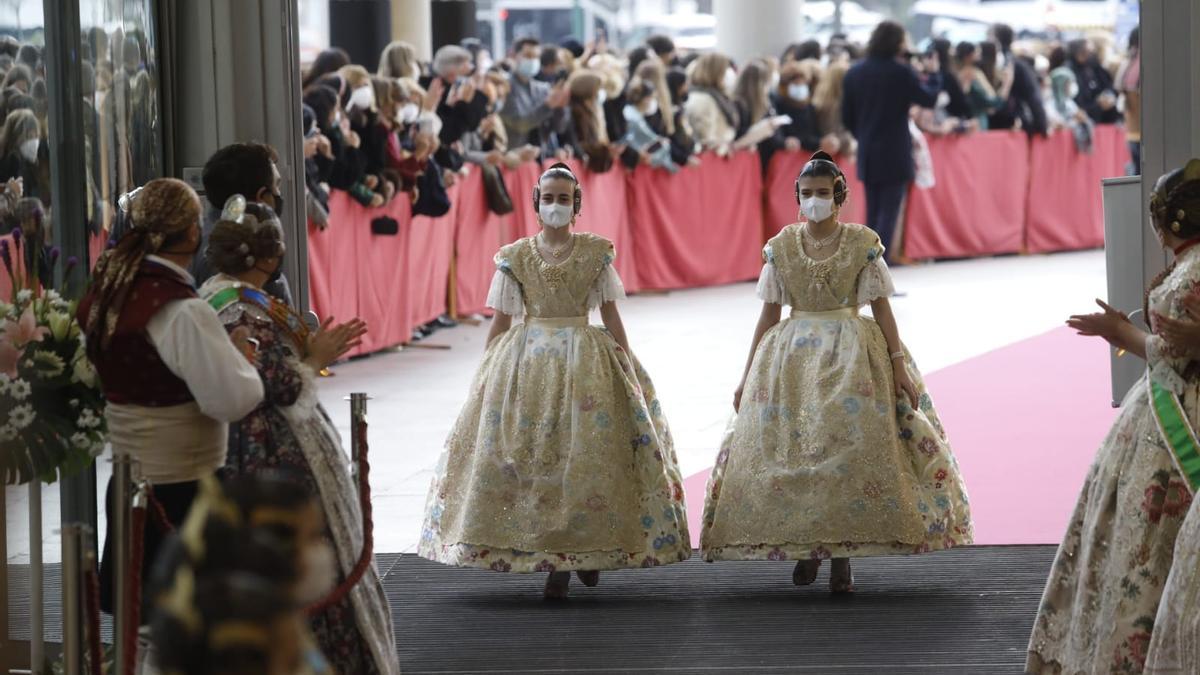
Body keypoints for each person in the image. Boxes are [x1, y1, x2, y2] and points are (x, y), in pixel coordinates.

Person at [698, 151, 972, 591]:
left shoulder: (862, 243)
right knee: (801, 457)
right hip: (792, 362)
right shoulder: (782, 247)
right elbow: (768, 316)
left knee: (847, 457)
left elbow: (882, 311)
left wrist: (899, 365)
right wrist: (747, 375)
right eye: (807, 194)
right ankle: (808, 547)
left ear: (839, 197)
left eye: (823, 193)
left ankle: (843, 556)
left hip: (853, 358)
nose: (814, 201)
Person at [419, 163, 690, 599]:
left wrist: (629, 363)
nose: (556, 206)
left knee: (586, 458)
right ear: (536, 203)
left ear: (576, 204)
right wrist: (486, 369)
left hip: (586, 360)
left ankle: (584, 550)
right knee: (537, 459)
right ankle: (558, 555)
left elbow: (611, 315)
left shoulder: (595, 253)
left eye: (564, 199)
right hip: (526, 362)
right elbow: (501, 320)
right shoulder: (516, 257)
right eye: (549, 198)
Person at [196, 202, 398, 675]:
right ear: (268, 257)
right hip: (272, 445)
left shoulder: (218, 294)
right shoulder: (243, 309)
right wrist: (316, 355)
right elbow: (277, 384)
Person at [76, 178, 264, 659]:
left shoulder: (109, 291)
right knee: (189, 633)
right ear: (190, 232)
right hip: (184, 489)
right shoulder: (181, 309)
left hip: (127, 483)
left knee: (142, 629)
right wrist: (243, 358)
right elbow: (232, 399)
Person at [1026, 159, 1200, 674]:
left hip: (1175, 420)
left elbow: (1170, 354)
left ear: (1171, 221)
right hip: (1167, 408)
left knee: (1146, 544)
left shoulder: (1193, 270)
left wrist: (1119, 334)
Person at [842, 21, 942, 256]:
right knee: (889, 213)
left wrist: (864, 134)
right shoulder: (901, 72)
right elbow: (928, 98)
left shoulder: (854, 72)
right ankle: (879, 272)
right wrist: (934, 73)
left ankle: (865, 273)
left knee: (872, 213)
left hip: (868, 150)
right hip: (895, 150)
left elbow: (846, 116)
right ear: (897, 43)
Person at [192, 142, 294, 306]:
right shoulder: (240, 255)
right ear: (261, 197)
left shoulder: (201, 237)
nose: (279, 194)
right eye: (277, 185)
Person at [498, 38, 569, 154]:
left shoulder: (543, 88)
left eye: (536, 57)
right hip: (514, 156)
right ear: (514, 56)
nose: (532, 61)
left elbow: (558, 128)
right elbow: (519, 123)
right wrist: (547, 105)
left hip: (540, 158)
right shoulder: (505, 86)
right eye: (528, 55)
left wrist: (560, 107)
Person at [986, 23, 1048, 137]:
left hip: (1013, 124)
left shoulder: (1011, 64)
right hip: (1004, 125)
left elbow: (1032, 95)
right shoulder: (1013, 63)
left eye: (989, 36)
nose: (986, 40)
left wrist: (1041, 124)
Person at [1116, 27, 1141, 175]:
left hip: (1132, 128)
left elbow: (1119, 87)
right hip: (1144, 129)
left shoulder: (1128, 63)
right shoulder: (1143, 62)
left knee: (1136, 172)